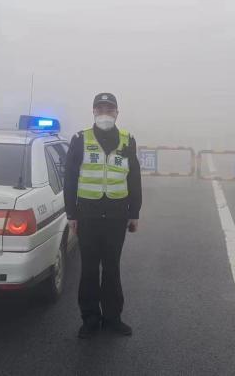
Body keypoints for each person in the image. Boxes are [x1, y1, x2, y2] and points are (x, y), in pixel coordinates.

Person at [64, 93, 142, 338]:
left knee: (111, 268)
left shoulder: (128, 141)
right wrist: (71, 213)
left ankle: (112, 318)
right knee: (88, 269)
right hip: (88, 215)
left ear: (117, 112)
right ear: (93, 111)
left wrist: (134, 212)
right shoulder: (80, 139)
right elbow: (70, 178)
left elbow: (134, 178)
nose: (105, 113)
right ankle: (89, 319)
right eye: (101, 108)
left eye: (110, 109)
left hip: (117, 216)